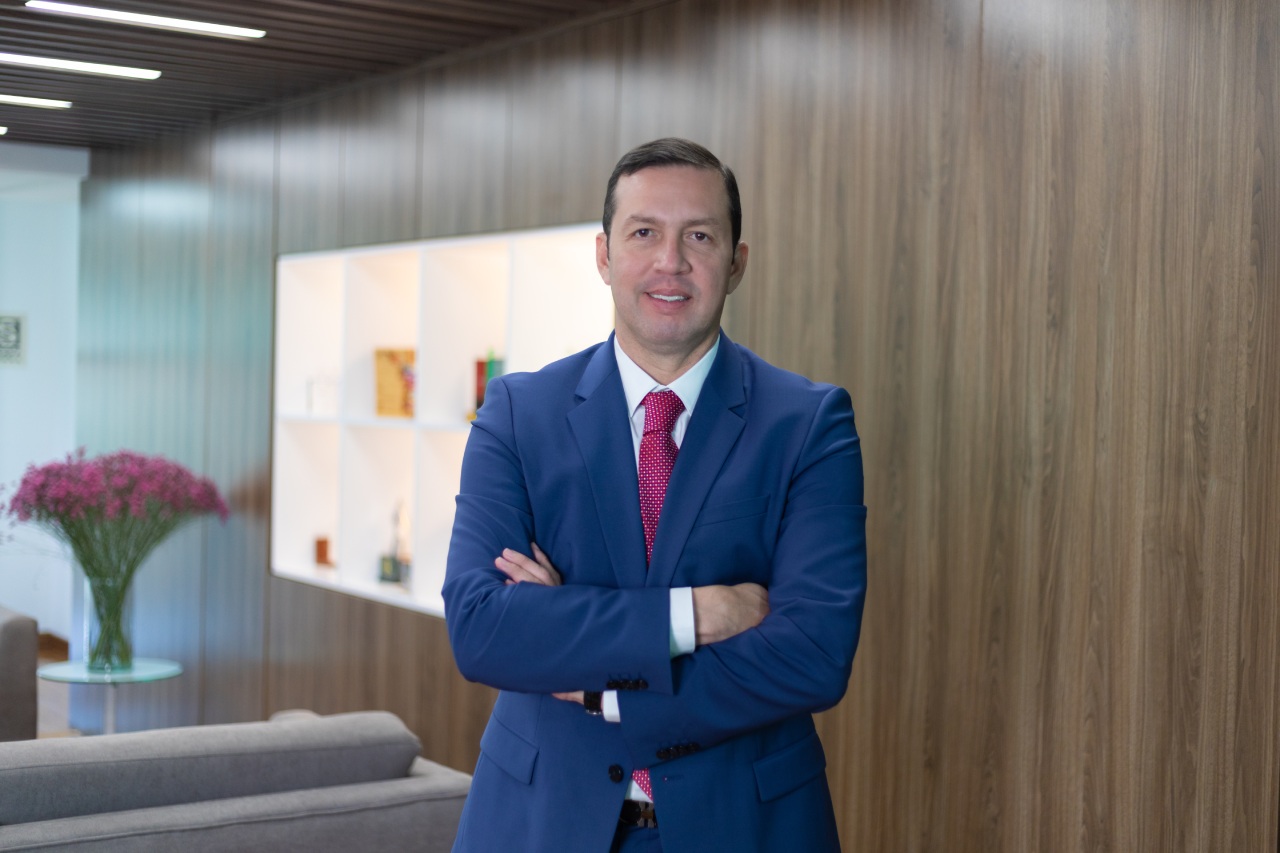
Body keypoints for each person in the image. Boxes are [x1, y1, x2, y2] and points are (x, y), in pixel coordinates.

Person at [443, 138, 867, 853]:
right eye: (644, 233)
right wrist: (694, 613)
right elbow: (483, 628)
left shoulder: (808, 423)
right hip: (541, 822)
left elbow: (812, 655)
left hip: (744, 827)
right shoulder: (517, 413)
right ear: (604, 255)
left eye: (699, 236)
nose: (670, 261)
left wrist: (600, 687)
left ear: (736, 262)